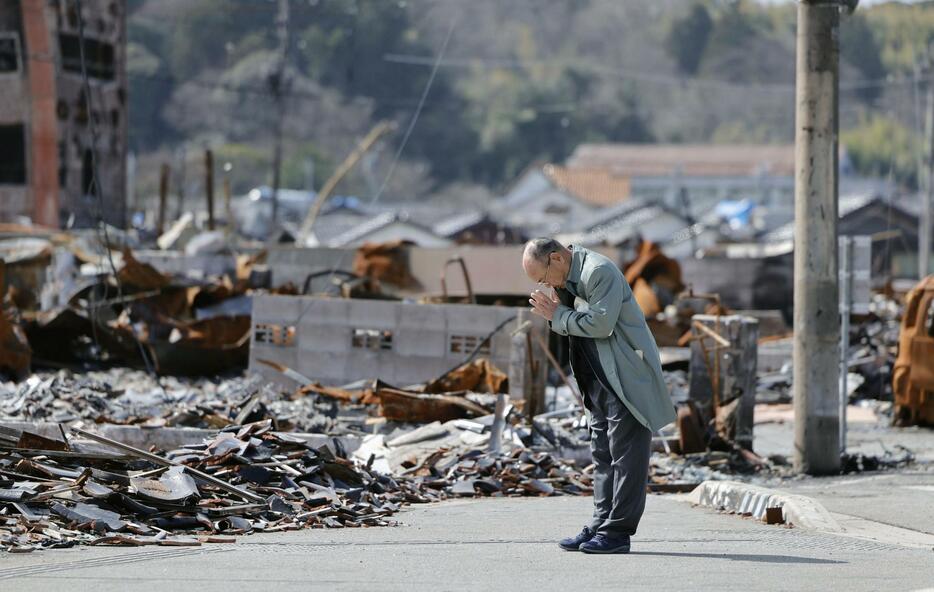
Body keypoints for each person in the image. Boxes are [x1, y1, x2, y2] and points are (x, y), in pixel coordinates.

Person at [522, 238, 676, 554]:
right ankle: (600, 524)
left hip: (625, 377)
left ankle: (617, 532)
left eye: (543, 277)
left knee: (626, 456)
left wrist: (557, 316)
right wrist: (560, 314)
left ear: (556, 259)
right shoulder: (568, 279)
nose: (545, 285)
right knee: (602, 453)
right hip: (597, 378)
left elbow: (601, 324)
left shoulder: (598, 271)